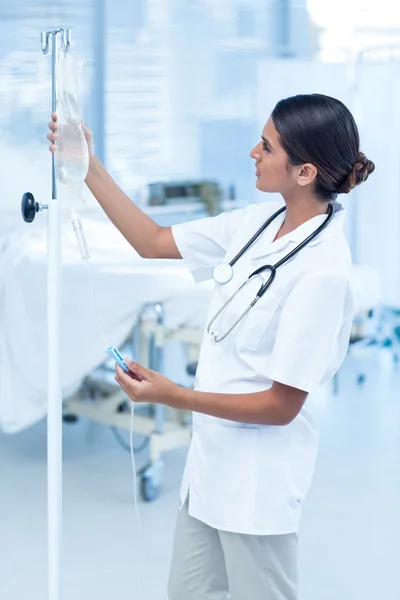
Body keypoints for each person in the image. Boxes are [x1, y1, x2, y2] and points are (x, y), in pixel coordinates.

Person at [48, 93, 375, 600]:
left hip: (257, 486)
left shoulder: (324, 273)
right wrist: (87, 164)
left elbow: (281, 405)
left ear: (305, 171)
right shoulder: (254, 225)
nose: (253, 152)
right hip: (207, 476)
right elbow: (151, 240)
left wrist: (173, 396)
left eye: (266, 146)